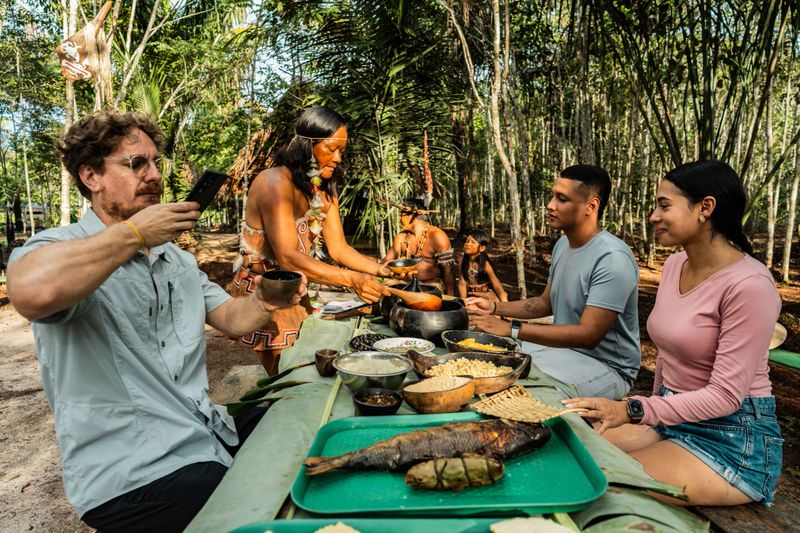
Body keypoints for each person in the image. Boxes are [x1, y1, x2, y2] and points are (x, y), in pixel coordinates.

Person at [6, 110, 306, 532]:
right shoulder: (61, 246)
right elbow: (30, 292)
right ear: (91, 176)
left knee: (298, 415)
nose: (152, 175)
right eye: (135, 164)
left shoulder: (176, 260)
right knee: (261, 503)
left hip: (201, 435)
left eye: (154, 163)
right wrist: (134, 235)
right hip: (130, 472)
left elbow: (232, 319)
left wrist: (266, 298)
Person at [563, 160, 783, 507]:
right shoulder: (676, 264)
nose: (653, 216)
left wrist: (634, 410)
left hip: (732, 440)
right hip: (673, 418)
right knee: (566, 451)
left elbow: (726, 396)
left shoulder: (750, 285)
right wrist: (650, 416)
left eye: (665, 205)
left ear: (705, 208)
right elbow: (666, 353)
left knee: (601, 482)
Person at [231, 106, 390, 374]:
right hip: (263, 295)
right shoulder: (273, 183)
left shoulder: (323, 190)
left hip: (295, 292)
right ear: (308, 145)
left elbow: (338, 248)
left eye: (342, 150)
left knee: (301, 372)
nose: (338, 158)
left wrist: (382, 270)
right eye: (331, 149)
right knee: (287, 378)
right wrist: (352, 279)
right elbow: (288, 258)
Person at [466, 165, 640, 400]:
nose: (550, 205)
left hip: (606, 367)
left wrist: (512, 329)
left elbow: (588, 335)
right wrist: (494, 307)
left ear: (591, 206)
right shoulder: (562, 246)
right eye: (552, 196)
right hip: (563, 352)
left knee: (517, 394)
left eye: (562, 198)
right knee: (482, 358)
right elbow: (544, 303)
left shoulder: (612, 257)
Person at [381, 197, 457, 295]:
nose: (399, 218)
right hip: (403, 284)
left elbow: (448, 269)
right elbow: (387, 260)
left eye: (402, 214)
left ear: (413, 215)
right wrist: (370, 272)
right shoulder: (402, 237)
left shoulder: (437, 236)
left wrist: (450, 296)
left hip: (430, 286)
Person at [457, 228, 508, 303]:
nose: (468, 244)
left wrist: (505, 305)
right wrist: (464, 302)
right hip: (471, 295)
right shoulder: (462, 261)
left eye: (473, 242)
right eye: (467, 241)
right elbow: (462, 283)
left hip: (487, 295)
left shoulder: (486, 265)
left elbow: (497, 286)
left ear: (482, 248)